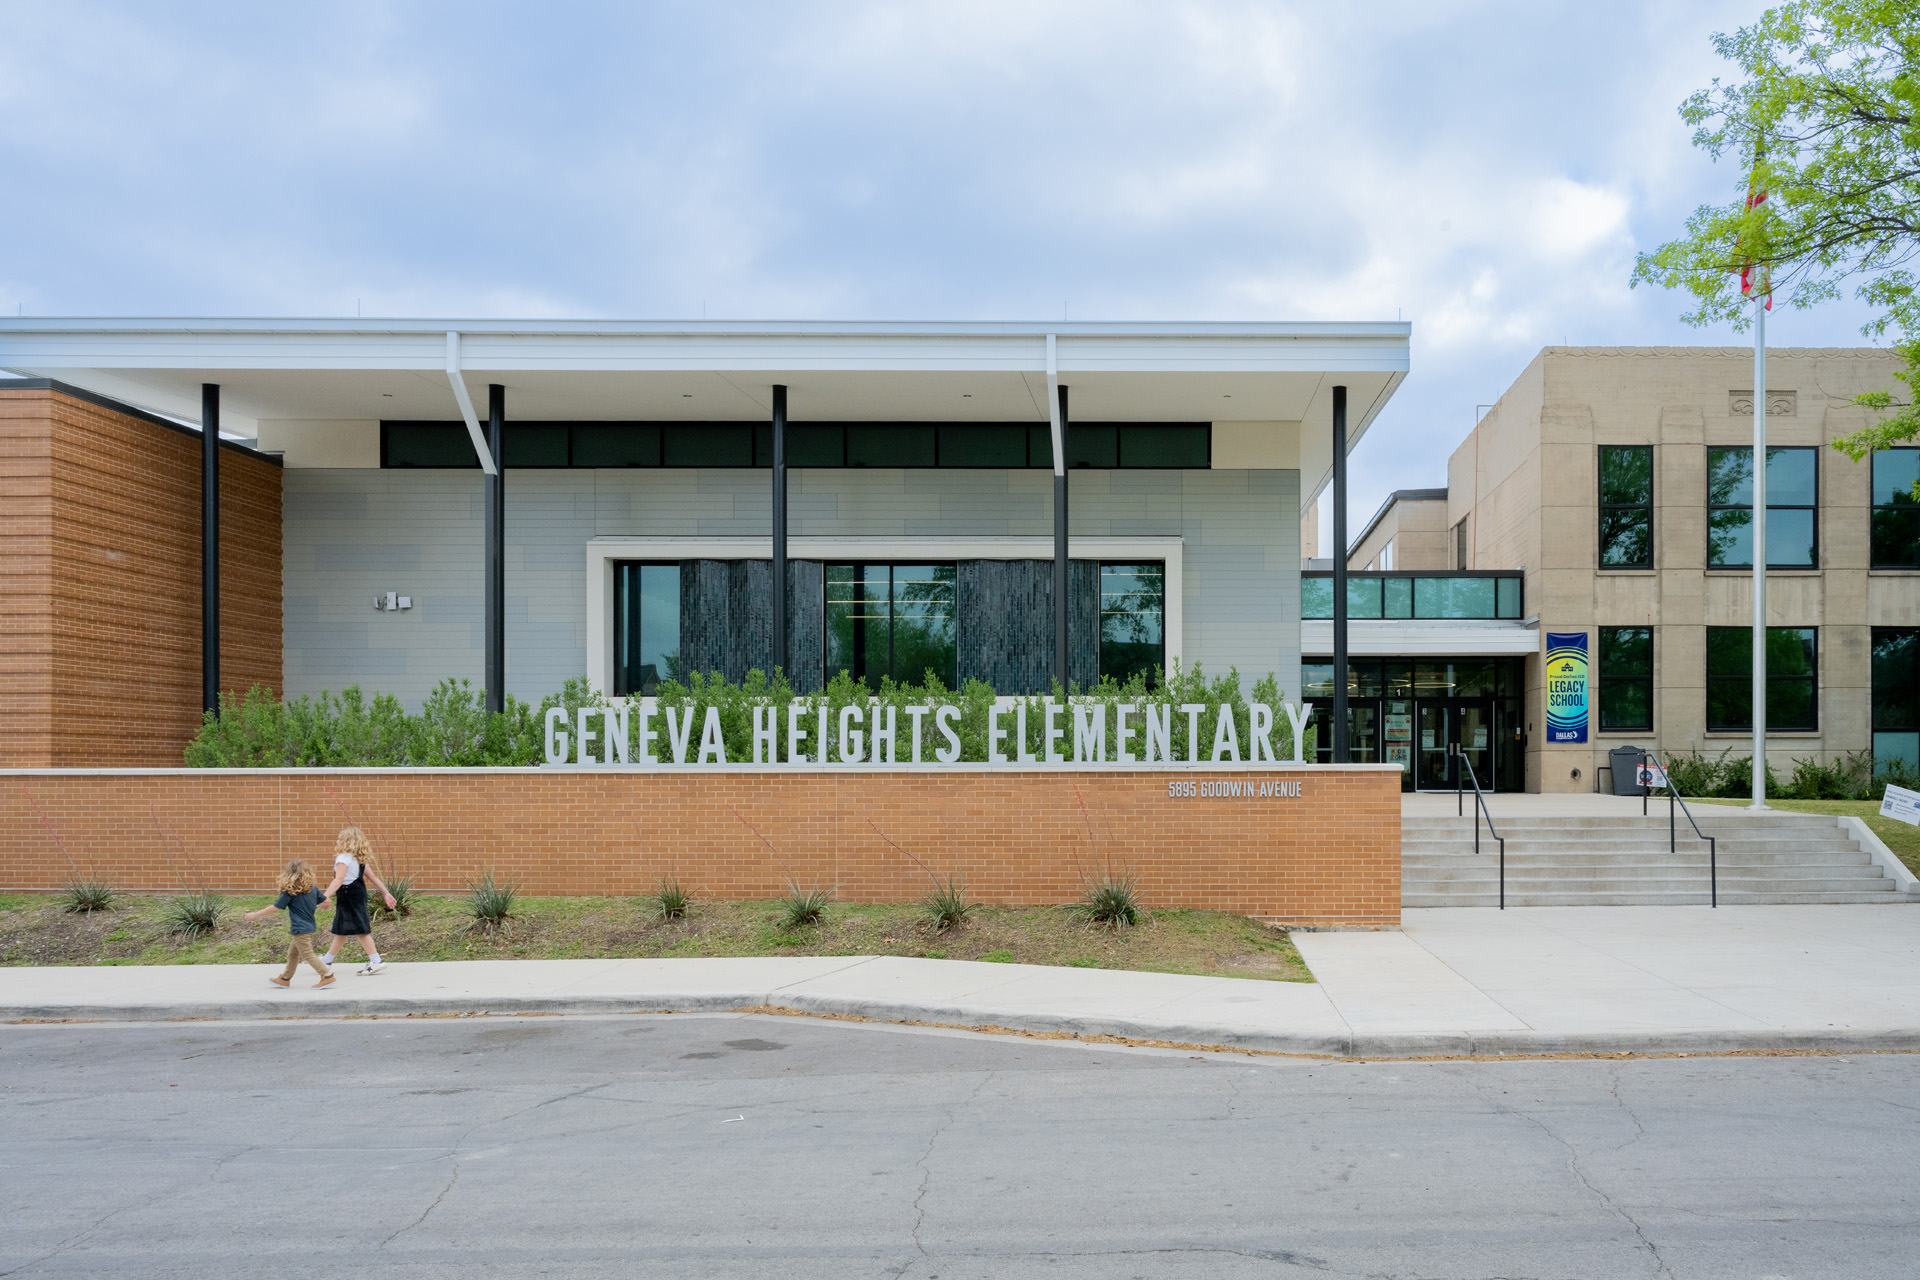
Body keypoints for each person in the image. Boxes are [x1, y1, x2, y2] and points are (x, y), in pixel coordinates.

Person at [318, 826, 397, 975]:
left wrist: (326, 895)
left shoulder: (343, 858)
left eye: (340, 838)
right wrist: (386, 893)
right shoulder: (358, 859)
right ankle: (327, 960)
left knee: (361, 930)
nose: (337, 840)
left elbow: (339, 879)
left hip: (348, 897)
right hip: (358, 895)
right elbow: (372, 878)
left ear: (348, 841)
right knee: (341, 929)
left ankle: (376, 961)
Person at [244, 859, 334, 989]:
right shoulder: (312, 890)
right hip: (308, 926)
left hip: (300, 928)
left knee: (307, 954)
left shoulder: (290, 892)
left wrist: (255, 915)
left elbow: (275, 908)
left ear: (288, 875)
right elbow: (326, 900)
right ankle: (285, 978)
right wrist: (327, 904)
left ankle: (326, 975)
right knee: (293, 953)